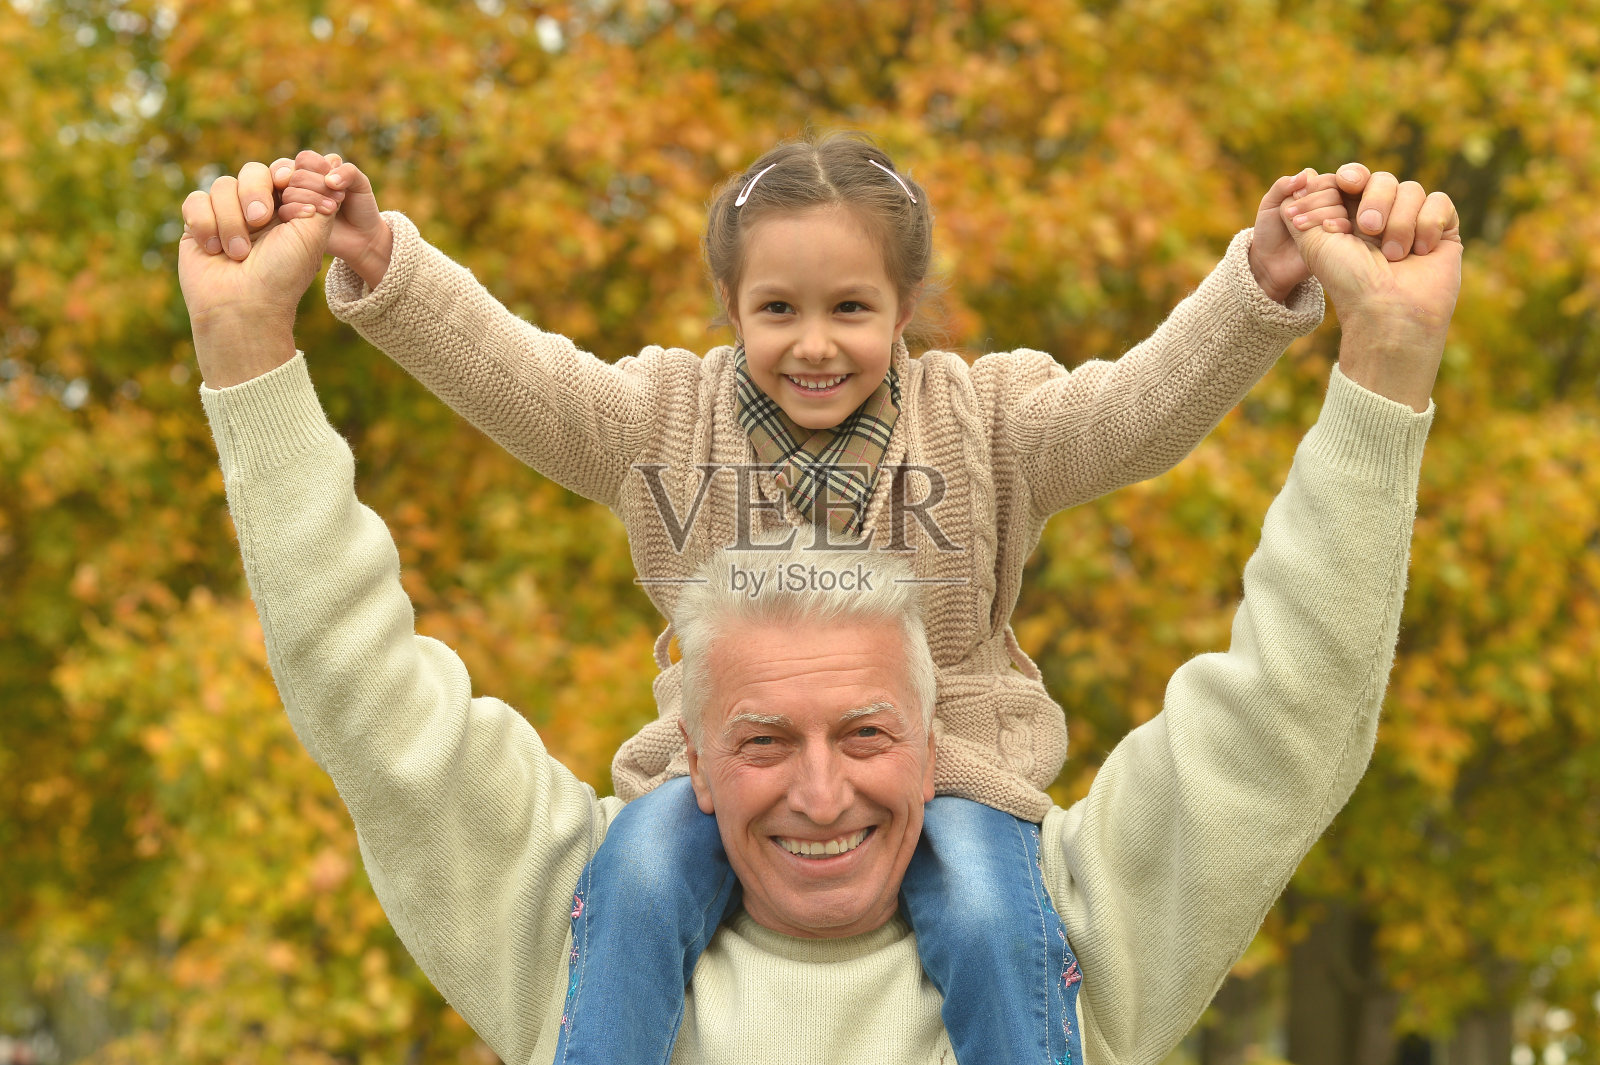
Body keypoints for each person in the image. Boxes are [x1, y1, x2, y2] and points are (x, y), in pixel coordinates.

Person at [178, 154, 1459, 1062]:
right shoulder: (660, 425)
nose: (812, 344)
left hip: (978, 804)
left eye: (850, 310)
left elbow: (1143, 414)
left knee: (976, 909)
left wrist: (1279, 299)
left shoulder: (1086, 928)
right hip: (658, 847)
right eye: (776, 311)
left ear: (905, 313)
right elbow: (512, 377)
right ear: (729, 310)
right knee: (631, 877)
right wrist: (371, 276)